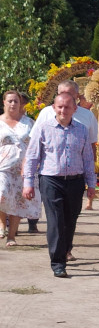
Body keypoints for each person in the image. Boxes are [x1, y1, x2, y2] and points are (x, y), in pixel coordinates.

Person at [22, 92, 97, 278]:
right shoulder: (43, 128)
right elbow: (32, 157)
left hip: (75, 181)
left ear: (74, 108)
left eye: (67, 107)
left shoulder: (81, 129)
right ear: (54, 108)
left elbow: (88, 158)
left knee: (70, 221)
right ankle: (57, 263)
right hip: (50, 180)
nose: (63, 110)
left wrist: (92, 184)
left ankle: (65, 250)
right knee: (55, 221)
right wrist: (28, 183)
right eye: (60, 106)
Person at [0, 90, 41, 247]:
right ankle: (2, 224)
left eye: (16, 101)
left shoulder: (29, 123)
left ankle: (12, 236)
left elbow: (35, 144)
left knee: (18, 201)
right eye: (9, 101)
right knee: (2, 194)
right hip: (3, 166)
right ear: (4, 102)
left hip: (24, 168)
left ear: (20, 103)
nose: (12, 104)